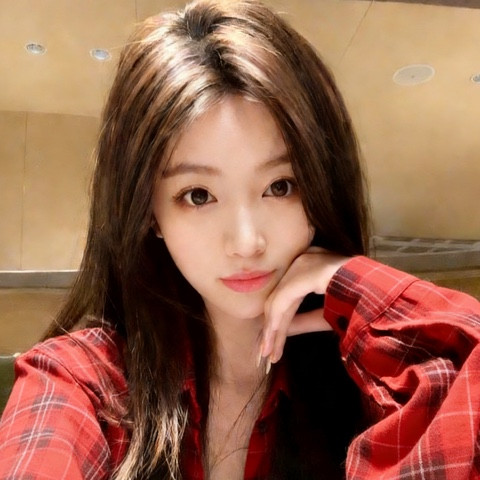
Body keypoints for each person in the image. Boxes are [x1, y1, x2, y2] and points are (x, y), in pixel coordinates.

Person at [1, 0, 480, 479]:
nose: (247, 242)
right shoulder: (83, 384)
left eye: (281, 186)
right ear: (149, 213)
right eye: (198, 195)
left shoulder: (375, 385)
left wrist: (356, 286)